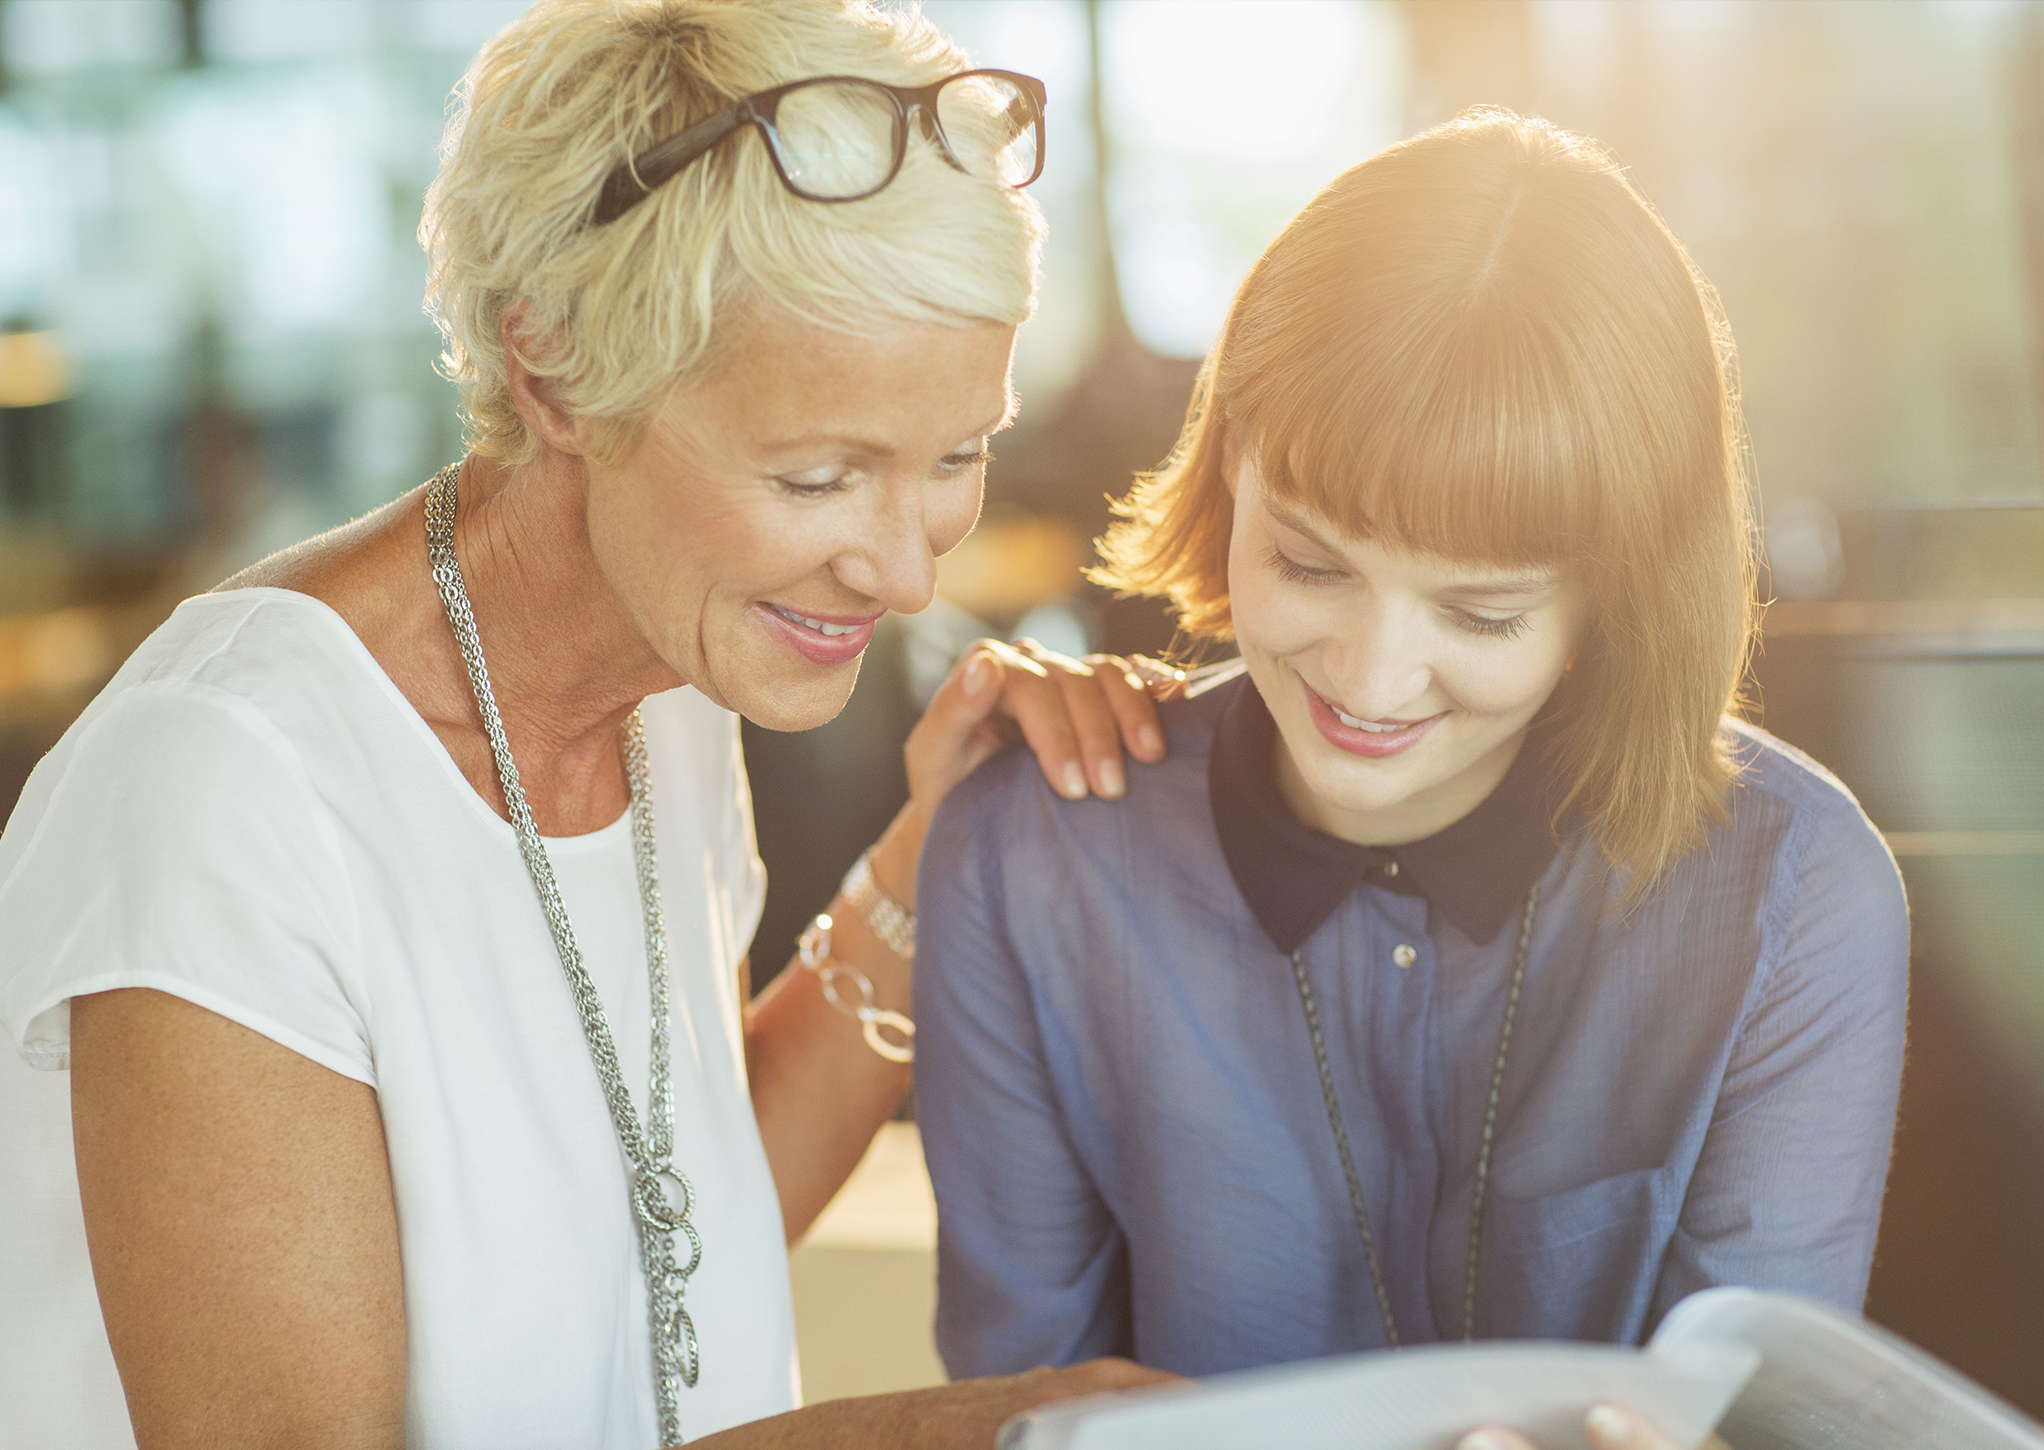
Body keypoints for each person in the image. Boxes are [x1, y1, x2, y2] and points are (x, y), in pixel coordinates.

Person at [0, 2, 1180, 1446]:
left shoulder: (674, 674)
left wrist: (941, 850)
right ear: (554, 371)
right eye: (818, 477)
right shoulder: (224, 788)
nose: (906, 565)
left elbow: (665, 1218)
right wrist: (945, 1433)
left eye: (956, 455)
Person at [915, 108, 1910, 1442]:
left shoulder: (1796, 896)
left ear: (1618, 595)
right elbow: (1023, 1416)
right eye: (1311, 564)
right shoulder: (1028, 861)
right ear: (1228, 473)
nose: (1371, 681)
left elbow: (1760, 1416)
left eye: (1482, 614)